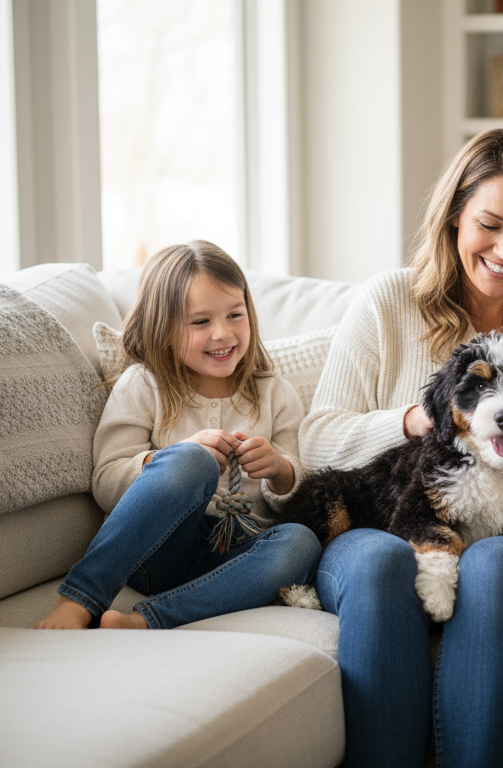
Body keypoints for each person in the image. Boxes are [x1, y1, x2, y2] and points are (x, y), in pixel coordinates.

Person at [298, 127, 503, 768]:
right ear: (452, 220)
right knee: (381, 565)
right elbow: (315, 442)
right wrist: (423, 420)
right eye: (490, 224)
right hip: (383, 520)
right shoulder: (388, 301)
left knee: (501, 565)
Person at [35, 240, 320, 631]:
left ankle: (147, 621)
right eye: (200, 322)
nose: (222, 333)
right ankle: (80, 599)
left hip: (234, 556)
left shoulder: (275, 394)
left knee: (301, 541)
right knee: (192, 460)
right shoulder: (144, 385)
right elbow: (106, 480)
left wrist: (280, 470)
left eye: (235, 315)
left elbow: (297, 495)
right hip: (158, 550)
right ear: (163, 328)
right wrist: (171, 458)